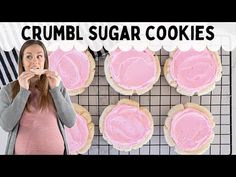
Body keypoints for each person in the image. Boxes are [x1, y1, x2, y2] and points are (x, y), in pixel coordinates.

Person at [0, 40, 76, 155]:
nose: (35, 61)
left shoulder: (56, 85)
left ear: (45, 61)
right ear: (22, 62)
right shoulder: (7, 90)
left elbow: (70, 121)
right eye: (29, 57)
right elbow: (6, 125)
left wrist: (55, 89)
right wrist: (23, 91)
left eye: (39, 56)